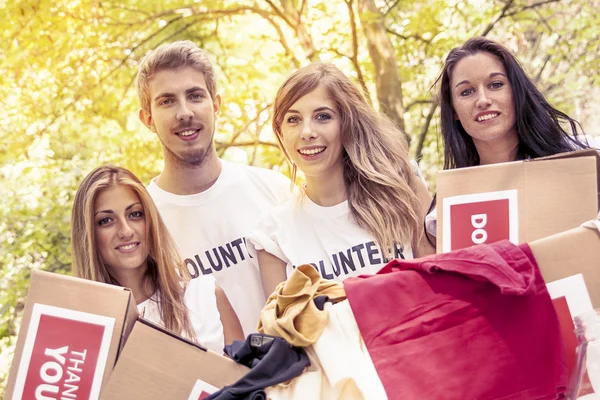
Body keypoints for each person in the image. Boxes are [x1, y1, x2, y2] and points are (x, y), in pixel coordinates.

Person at [136, 40, 291, 336]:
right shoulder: (142, 222)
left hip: (300, 376)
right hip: (211, 382)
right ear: (148, 119)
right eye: (167, 101)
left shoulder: (275, 189)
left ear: (215, 105)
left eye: (195, 95)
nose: (184, 112)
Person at [246, 63, 436, 297]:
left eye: (323, 116)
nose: (307, 132)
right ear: (281, 132)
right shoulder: (273, 235)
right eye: (293, 119)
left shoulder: (403, 190)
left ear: (347, 123)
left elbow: (439, 286)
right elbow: (285, 329)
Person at [425, 36, 593, 238]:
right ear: (454, 111)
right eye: (467, 91)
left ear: (517, 92)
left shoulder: (584, 159)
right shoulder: (447, 210)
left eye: (495, 85)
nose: (483, 100)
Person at [71, 165, 244, 353]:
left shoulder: (205, 296)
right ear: (87, 235)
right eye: (106, 221)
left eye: (135, 214)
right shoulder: (82, 330)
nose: (126, 231)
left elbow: (249, 380)